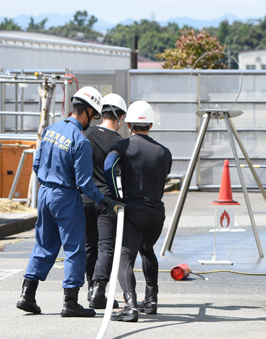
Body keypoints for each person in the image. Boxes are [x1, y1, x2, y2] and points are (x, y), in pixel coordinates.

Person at [16, 87, 123, 317]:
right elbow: (84, 183)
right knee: (75, 249)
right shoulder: (80, 141)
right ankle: (71, 302)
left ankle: (27, 294)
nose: (91, 121)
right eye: (93, 116)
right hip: (65, 196)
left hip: (44, 193)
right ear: (86, 111)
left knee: (44, 244)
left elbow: (36, 166)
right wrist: (104, 201)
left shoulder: (51, 130)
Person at [104, 101, 172, 322]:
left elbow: (108, 167)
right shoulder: (164, 152)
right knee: (147, 249)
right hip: (157, 212)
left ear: (129, 123)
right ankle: (151, 300)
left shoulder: (123, 147)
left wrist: (116, 195)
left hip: (133, 210)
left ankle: (130, 306)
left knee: (124, 257)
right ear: (150, 124)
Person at [83, 93, 128, 309]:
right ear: (119, 116)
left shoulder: (86, 133)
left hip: (83, 198)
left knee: (89, 245)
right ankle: (100, 290)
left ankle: (90, 288)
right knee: (106, 246)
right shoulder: (121, 143)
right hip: (107, 201)